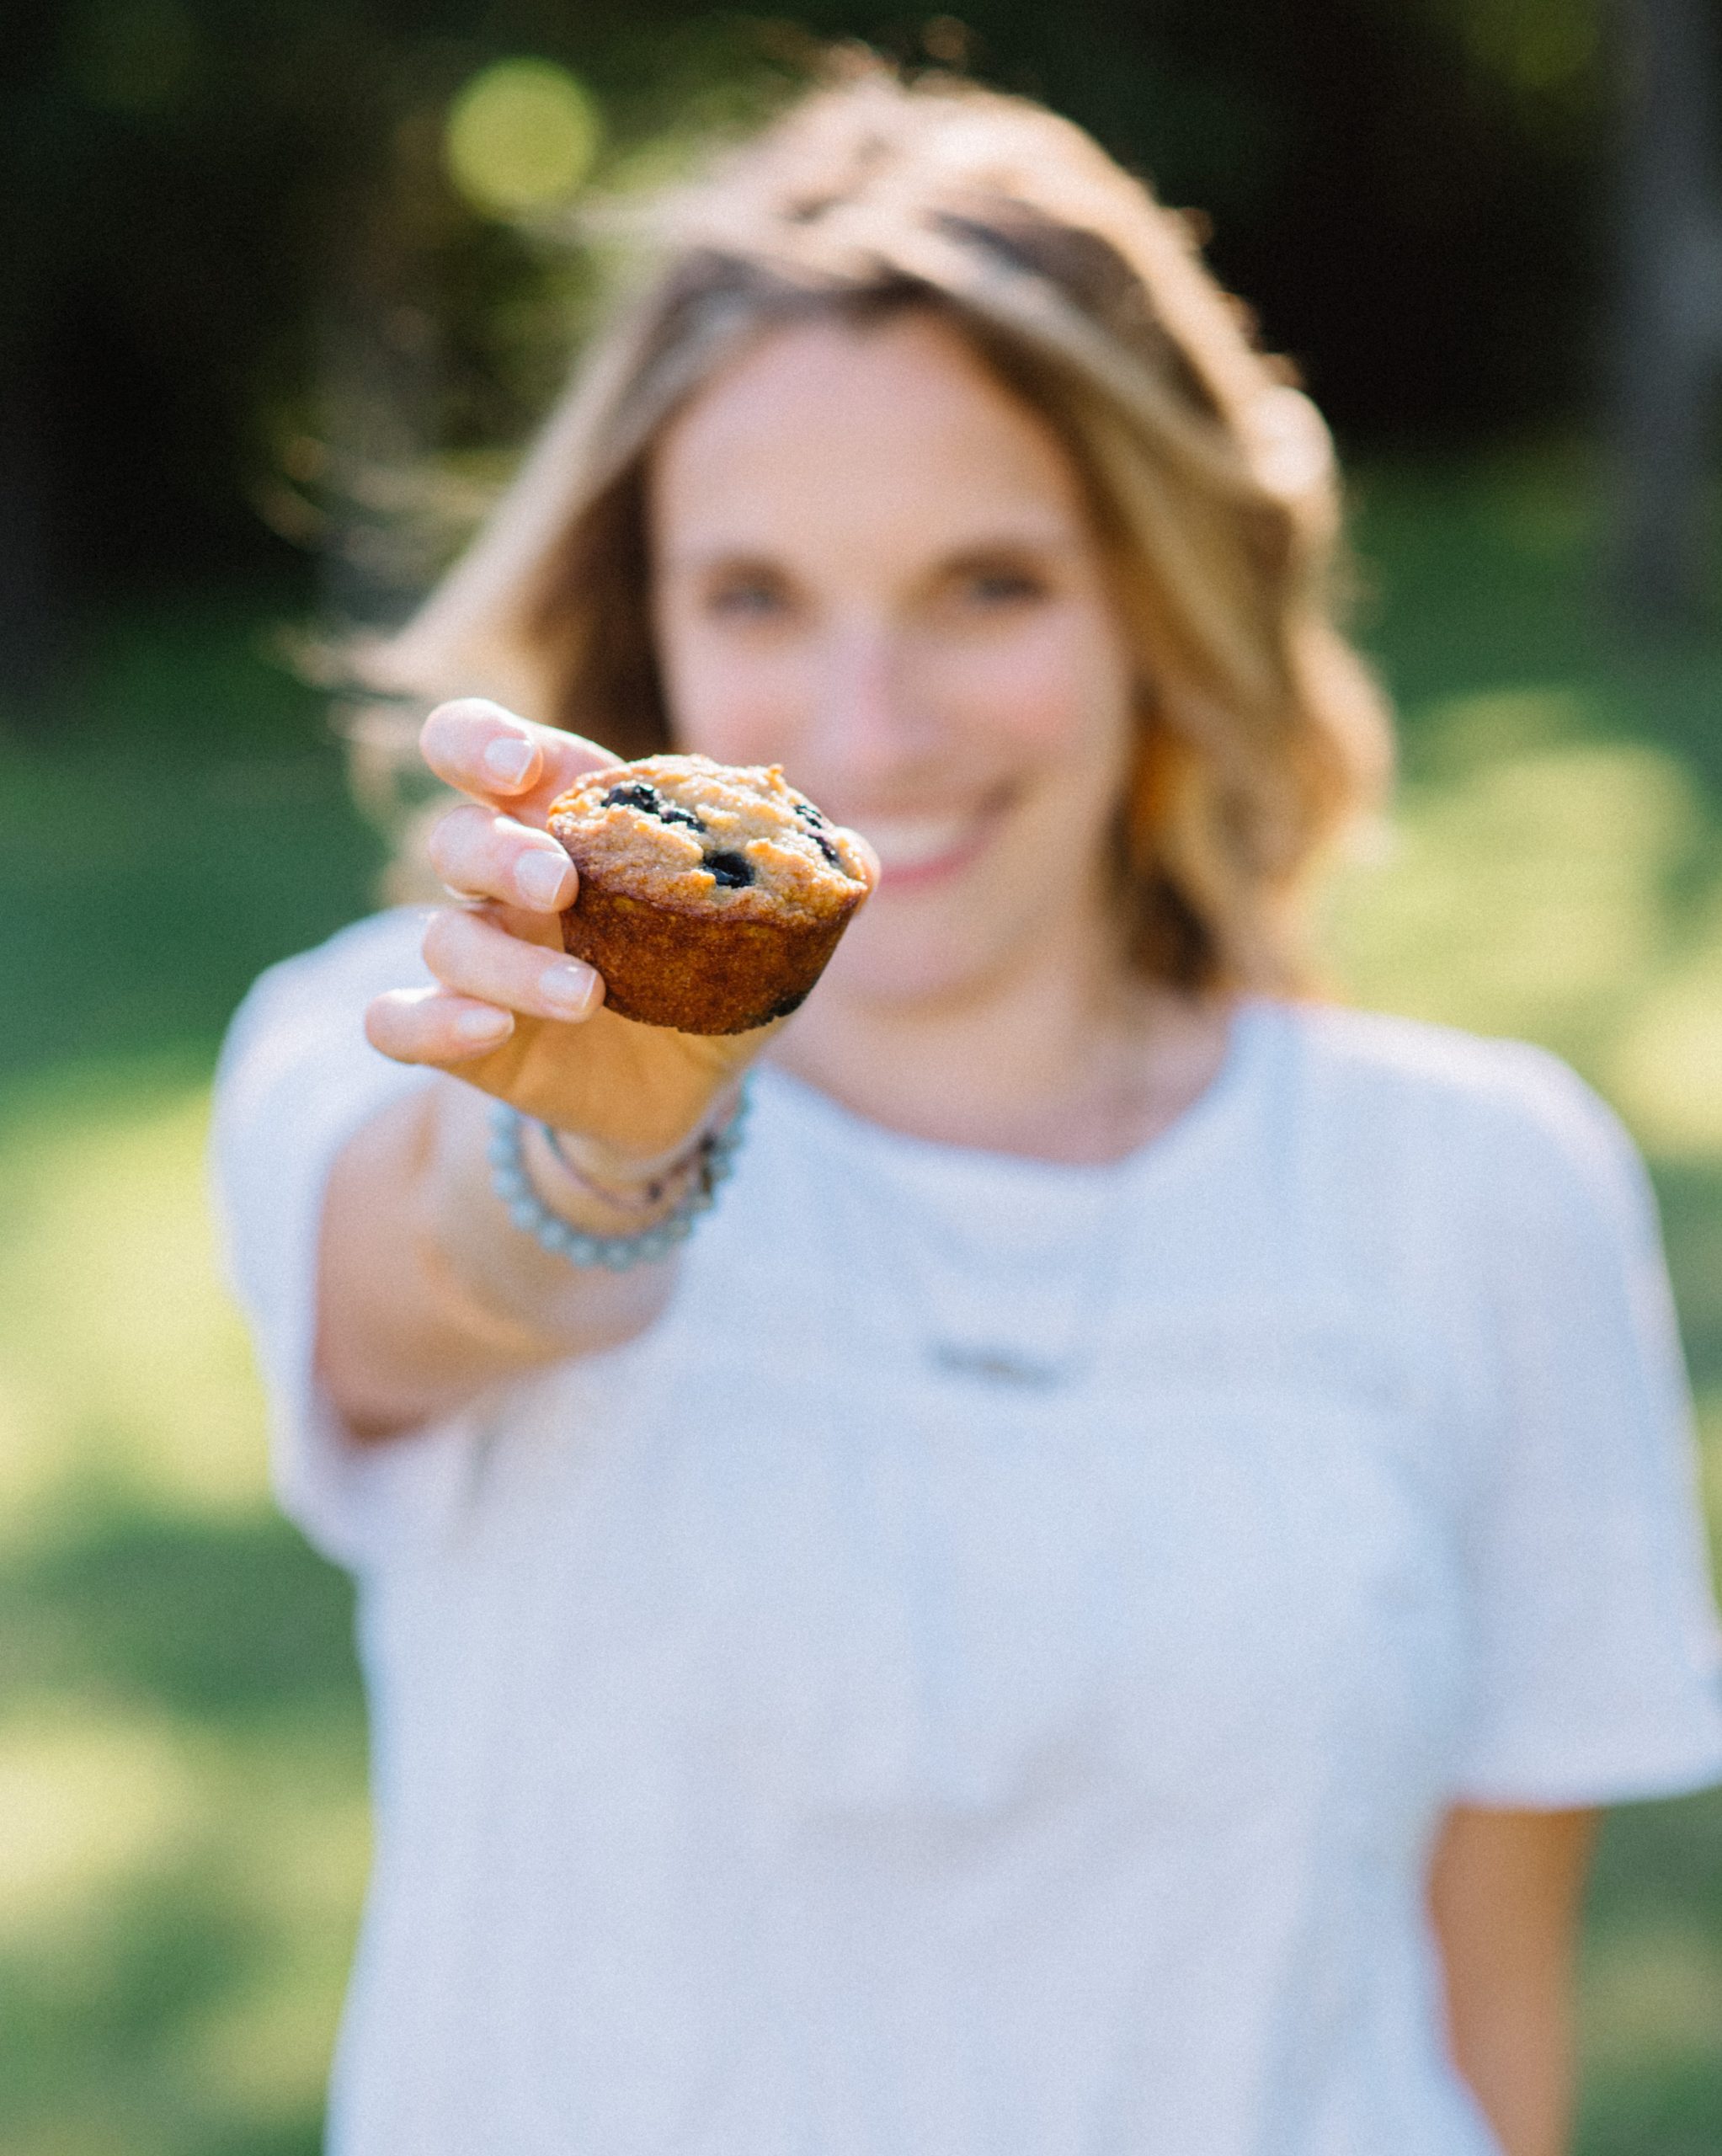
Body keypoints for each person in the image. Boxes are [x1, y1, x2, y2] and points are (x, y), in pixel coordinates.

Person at [212, 66, 1722, 2156]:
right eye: (755, 596)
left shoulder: (1481, 1186)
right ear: (643, 613)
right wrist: (602, 1140)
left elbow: (1489, 2039)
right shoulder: (410, 1047)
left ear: (1158, 608)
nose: (866, 726)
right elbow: (436, 1285)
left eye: (988, 584)